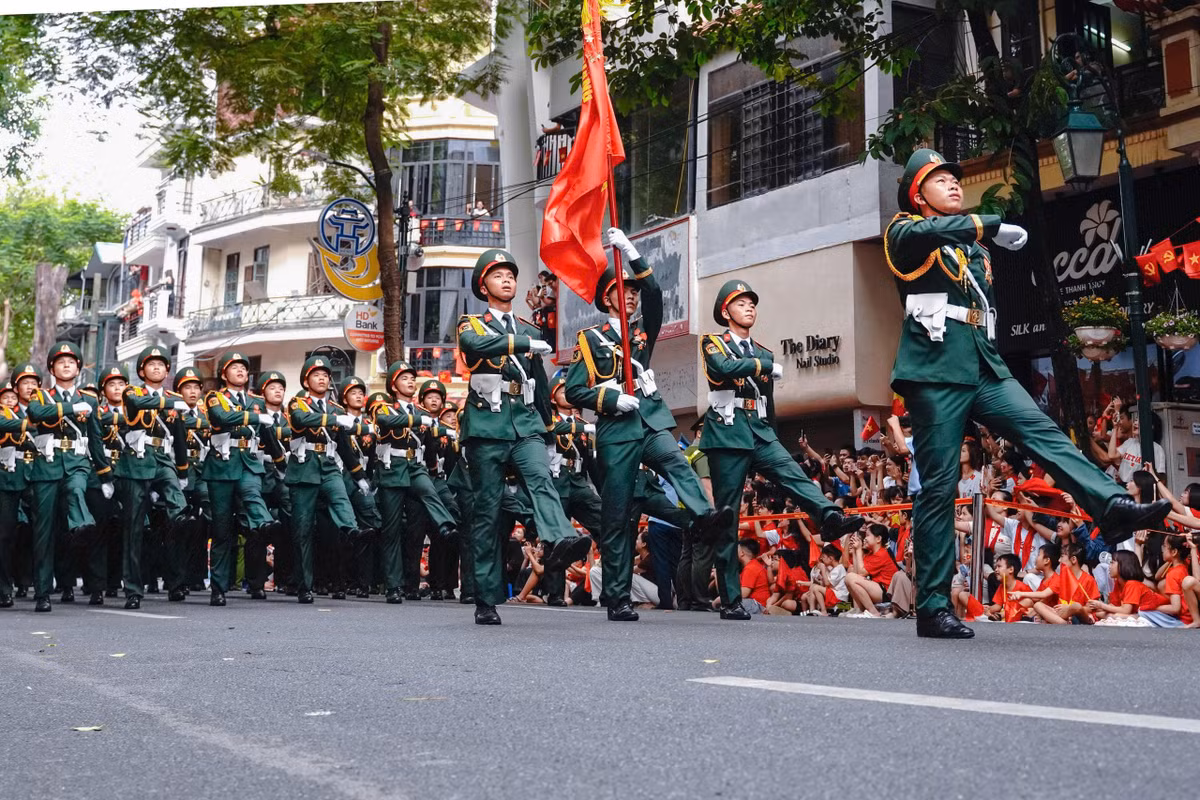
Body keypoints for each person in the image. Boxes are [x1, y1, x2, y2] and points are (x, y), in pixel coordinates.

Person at [885, 148, 1169, 638]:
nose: (953, 184)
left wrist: (983, 236)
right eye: (939, 179)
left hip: (982, 362)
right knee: (937, 487)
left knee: (1045, 431)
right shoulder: (905, 232)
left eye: (956, 178)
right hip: (935, 370)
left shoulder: (972, 248)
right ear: (917, 194)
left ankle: (1111, 505)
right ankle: (932, 607)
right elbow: (929, 235)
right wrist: (988, 224)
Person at [565, 228, 733, 622]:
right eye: (623, 292)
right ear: (607, 298)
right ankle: (618, 596)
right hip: (616, 432)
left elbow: (656, 294)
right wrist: (608, 397)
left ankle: (703, 514)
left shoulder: (642, 333)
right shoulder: (589, 340)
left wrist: (632, 253)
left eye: (633, 292)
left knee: (676, 461)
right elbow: (574, 391)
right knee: (618, 517)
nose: (632, 296)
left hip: (649, 421)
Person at [698, 279, 863, 620]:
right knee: (728, 516)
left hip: (758, 429)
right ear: (725, 311)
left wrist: (773, 435)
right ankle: (730, 600)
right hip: (727, 432)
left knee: (793, 473)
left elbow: (767, 402)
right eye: (741, 303)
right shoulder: (714, 343)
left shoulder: (764, 351)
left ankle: (829, 516)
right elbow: (723, 370)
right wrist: (760, 366)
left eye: (752, 303)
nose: (749, 307)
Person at [457, 248, 592, 625]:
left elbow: (541, 381)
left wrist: (549, 434)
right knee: (487, 512)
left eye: (511, 275)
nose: (507, 280)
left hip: (527, 422)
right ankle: (486, 598)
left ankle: (560, 538)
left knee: (542, 479)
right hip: (487, 427)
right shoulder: (472, 323)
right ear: (483, 285)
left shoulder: (529, 329)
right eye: (498, 275)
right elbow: (474, 348)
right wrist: (521, 344)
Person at [26, 343, 114, 612]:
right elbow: (35, 415)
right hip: (47, 467)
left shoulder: (89, 400)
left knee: (77, 489)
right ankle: (42, 593)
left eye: (71, 361)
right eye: (60, 361)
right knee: (44, 534)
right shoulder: (41, 397)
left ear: (78, 368)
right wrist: (69, 410)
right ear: (52, 368)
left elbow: (96, 440)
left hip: (77, 463)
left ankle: (83, 524)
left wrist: (105, 475)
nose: (66, 365)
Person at [285, 354, 371, 604]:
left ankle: (352, 530)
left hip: (329, 465)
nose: (322, 379)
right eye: (316, 375)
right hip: (304, 468)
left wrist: (359, 475)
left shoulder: (336, 409)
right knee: (302, 531)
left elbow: (344, 446)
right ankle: (304, 585)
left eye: (325, 375)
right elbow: (302, 420)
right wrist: (334, 420)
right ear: (306, 380)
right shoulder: (298, 403)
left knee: (340, 497)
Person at [370, 361, 458, 605]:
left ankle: (446, 526)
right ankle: (394, 586)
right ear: (394, 385)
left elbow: (429, 446)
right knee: (392, 531)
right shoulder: (384, 407)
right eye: (404, 378)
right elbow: (387, 422)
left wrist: (432, 467)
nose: (410, 382)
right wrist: (419, 422)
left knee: (429, 493)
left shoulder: (421, 413)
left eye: (412, 378)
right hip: (392, 469)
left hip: (416, 468)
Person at [203, 352, 281, 606]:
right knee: (222, 531)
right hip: (222, 465)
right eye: (234, 368)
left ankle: (266, 523)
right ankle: (218, 588)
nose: (240, 372)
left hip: (248, 463)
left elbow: (268, 437)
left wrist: (281, 464)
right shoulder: (215, 398)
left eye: (244, 369)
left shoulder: (256, 400)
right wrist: (254, 417)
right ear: (224, 374)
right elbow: (221, 418)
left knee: (252, 492)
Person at [0, 368, 40, 609]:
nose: (29, 386)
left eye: (34, 382)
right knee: (5, 536)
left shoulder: (43, 406)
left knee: (42, 531)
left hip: (37, 474)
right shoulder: (8, 414)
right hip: (8, 476)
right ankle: (5, 588)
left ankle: (40, 583)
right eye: (24, 382)